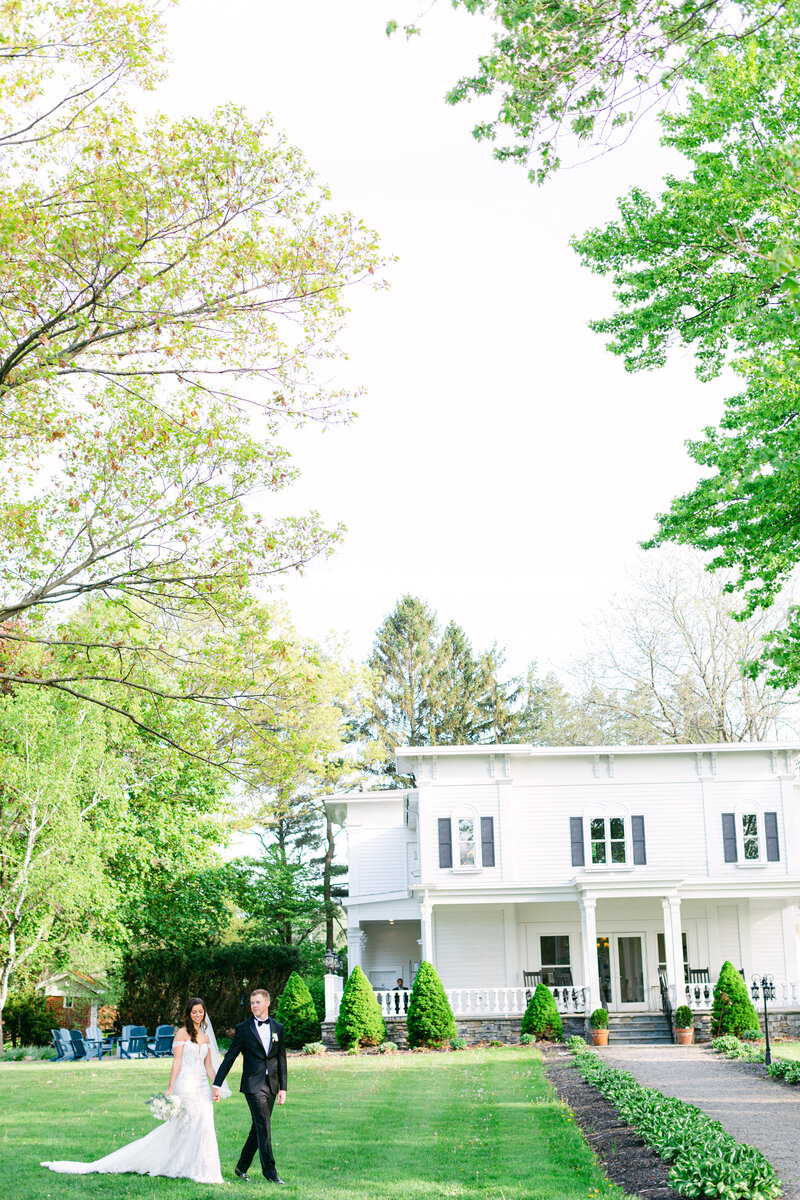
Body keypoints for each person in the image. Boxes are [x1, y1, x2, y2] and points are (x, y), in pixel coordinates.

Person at [42, 997, 224, 1184]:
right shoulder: (182, 1034)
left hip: (202, 1086)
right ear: (188, 1013)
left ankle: (200, 1167)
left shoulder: (206, 1036)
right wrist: (170, 1088)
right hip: (185, 1084)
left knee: (204, 1123)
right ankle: (174, 1163)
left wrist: (216, 1086)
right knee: (185, 1124)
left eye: (200, 1012)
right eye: (194, 1011)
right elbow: (176, 1062)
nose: (197, 1015)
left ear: (204, 1013)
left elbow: (209, 1065)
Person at [212, 987, 287, 1184]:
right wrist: (217, 1083)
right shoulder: (244, 1029)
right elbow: (229, 1057)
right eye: (252, 1003)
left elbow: (281, 1059)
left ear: (267, 1003)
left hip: (271, 1085)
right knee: (264, 1125)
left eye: (258, 1002)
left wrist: (283, 1088)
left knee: (258, 1127)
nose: (254, 1006)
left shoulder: (277, 1028)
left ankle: (241, 1166)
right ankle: (270, 1172)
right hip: (253, 1085)